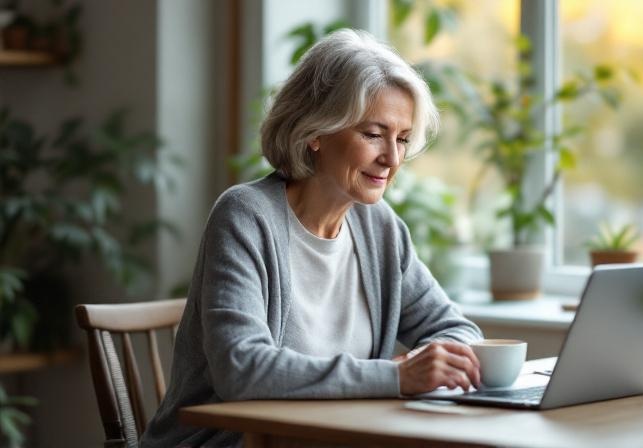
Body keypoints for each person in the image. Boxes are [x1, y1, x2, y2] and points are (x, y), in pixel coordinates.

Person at [140, 29, 483, 447]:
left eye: (403, 139)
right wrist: (396, 376)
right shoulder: (246, 215)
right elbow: (240, 369)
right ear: (315, 132)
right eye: (373, 134)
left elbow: (456, 329)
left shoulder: (380, 228)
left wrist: (436, 361)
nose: (392, 159)